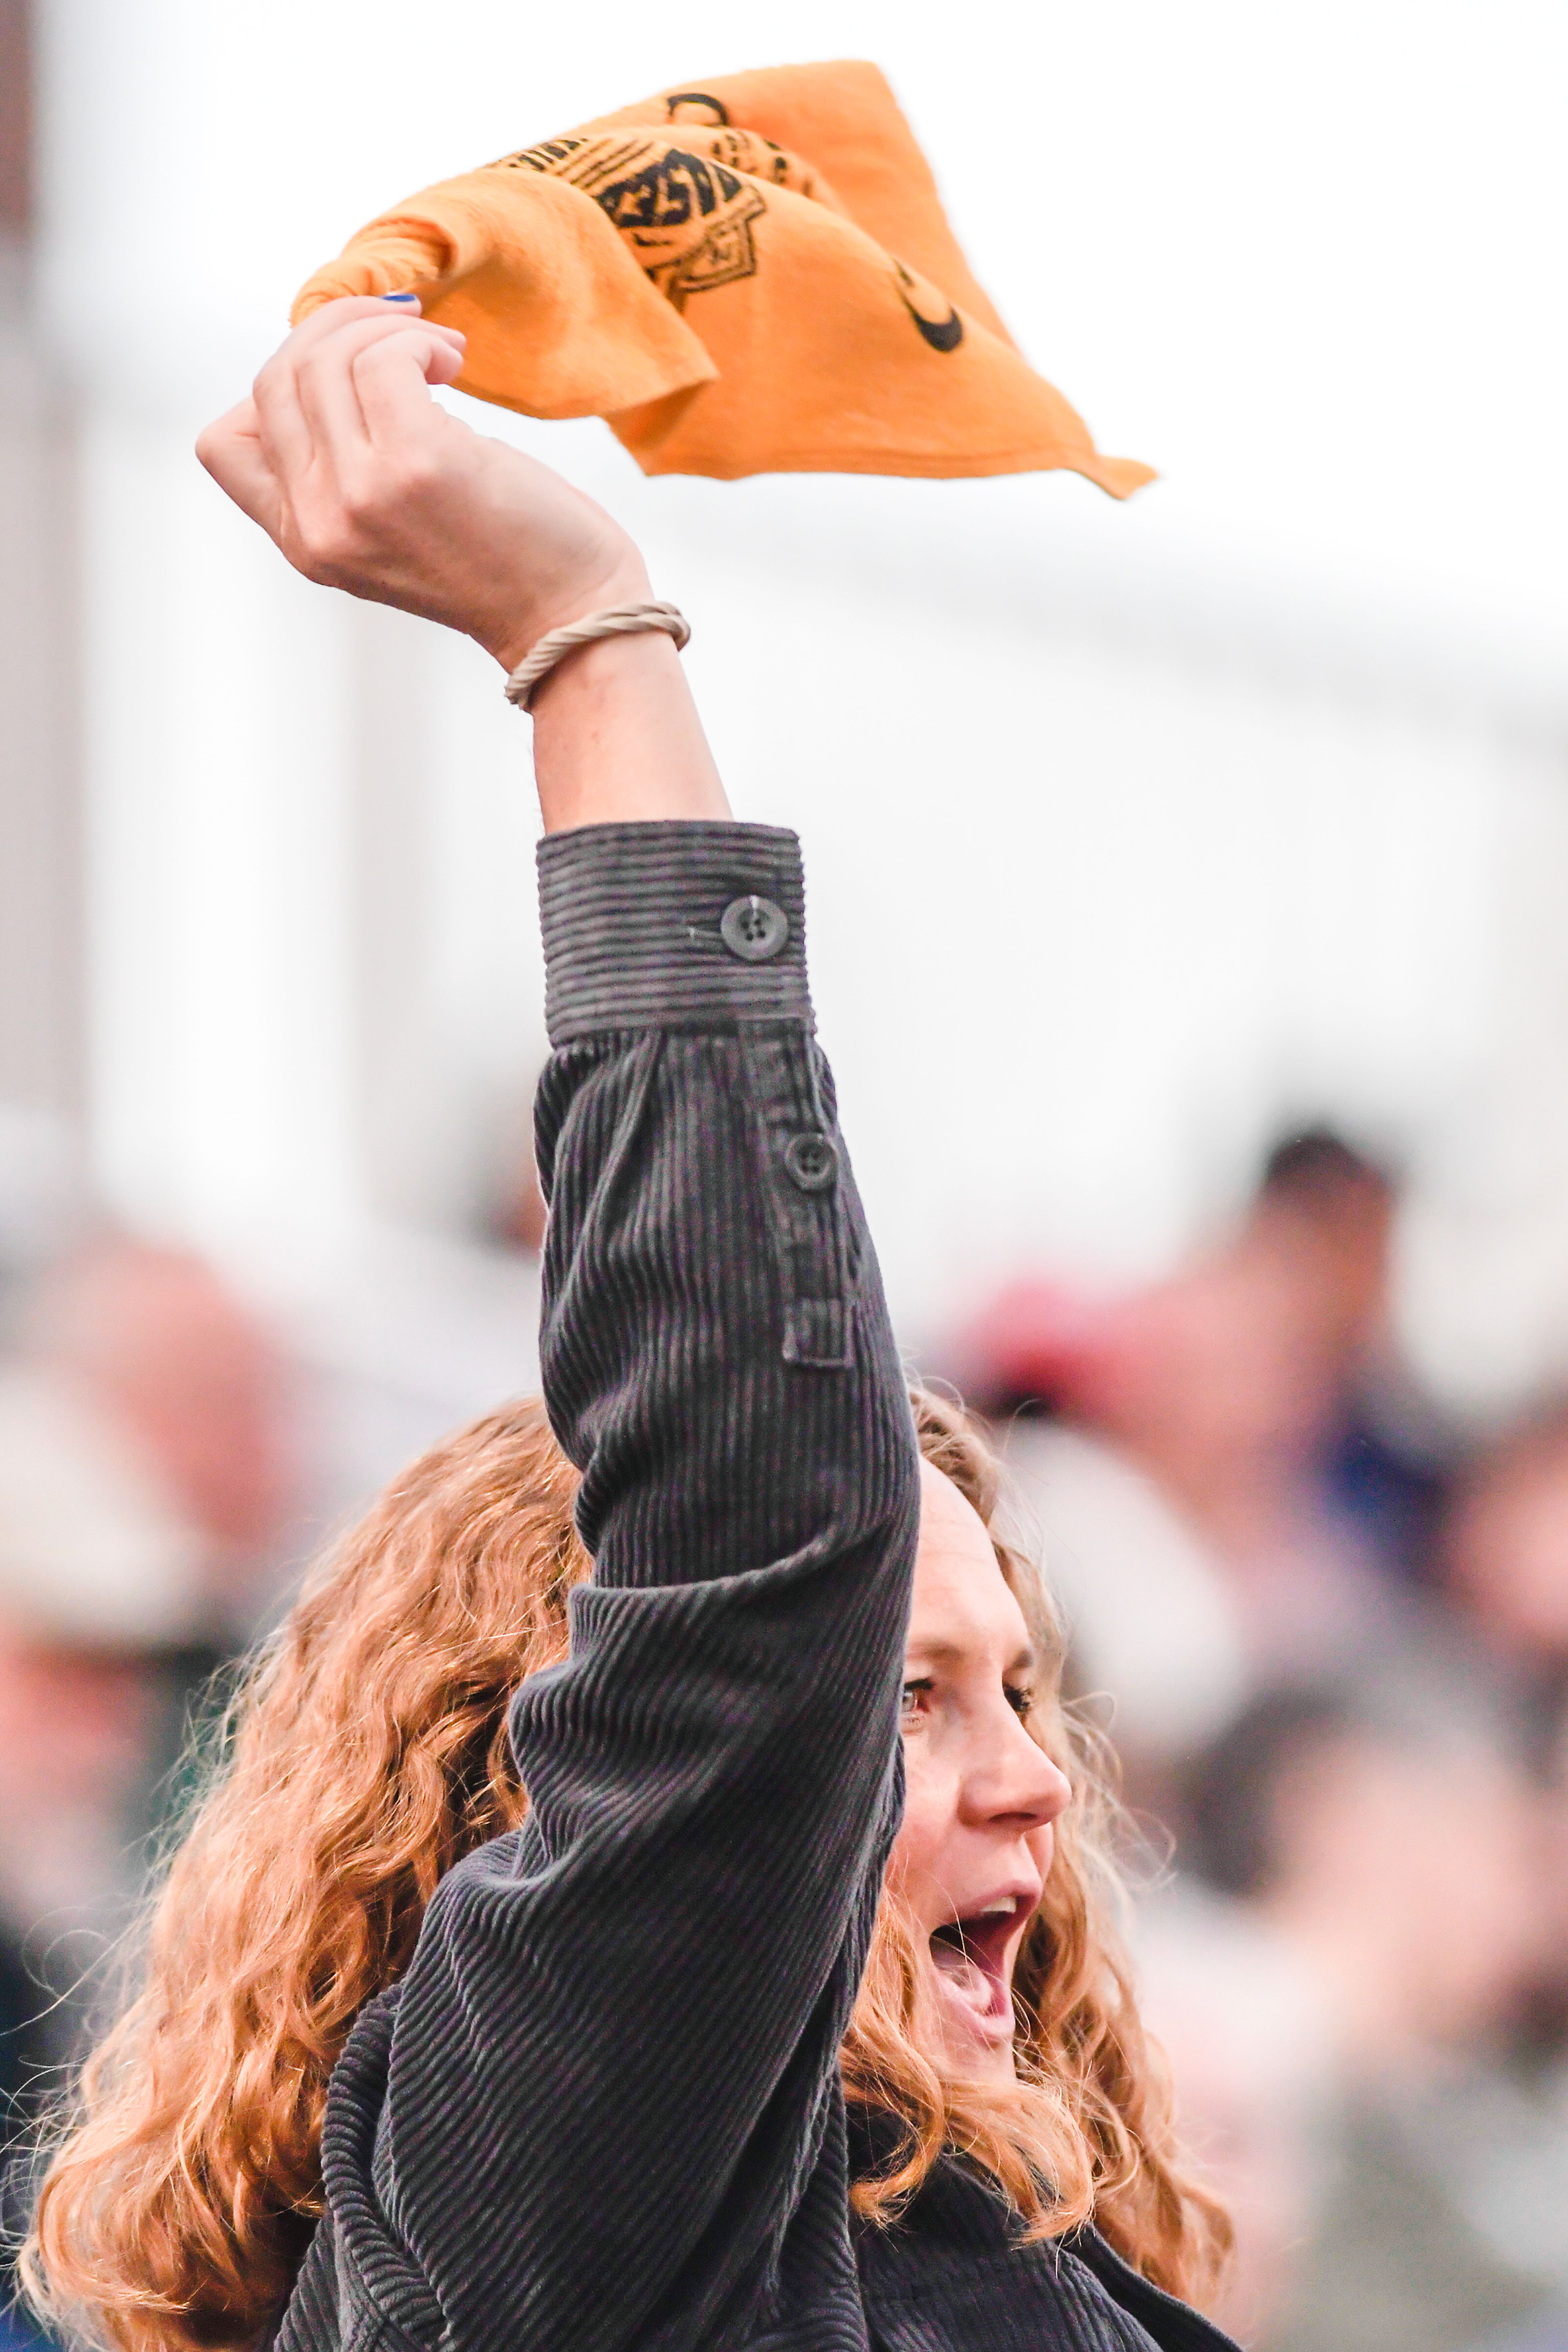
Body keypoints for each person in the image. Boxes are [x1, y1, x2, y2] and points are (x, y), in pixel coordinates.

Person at [23, 296, 1233, 2352]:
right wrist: (586, 637)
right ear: (552, 1822)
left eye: (1007, 1691)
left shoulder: (964, 2244)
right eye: (903, 1700)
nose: (1037, 1782)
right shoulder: (549, 2226)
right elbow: (758, 1547)